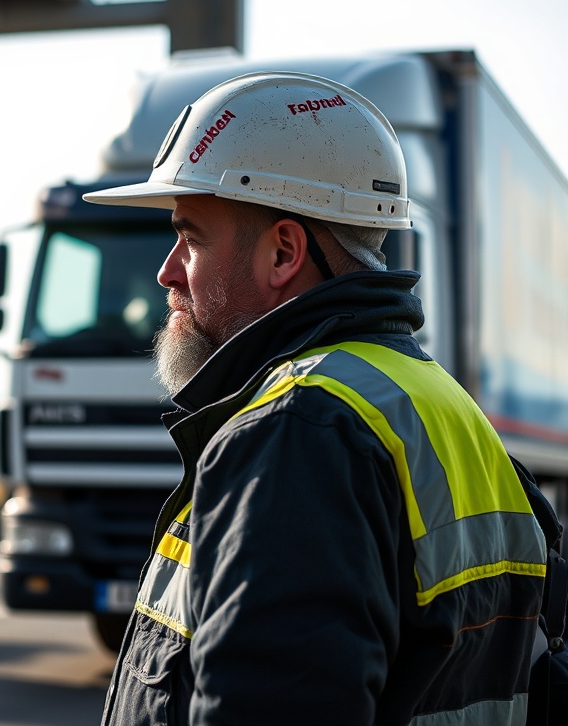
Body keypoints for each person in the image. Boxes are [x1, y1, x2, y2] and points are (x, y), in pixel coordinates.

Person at [83, 72, 547, 725]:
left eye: (190, 238)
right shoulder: (432, 397)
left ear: (282, 253)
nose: (166, 272)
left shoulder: (297, 431)